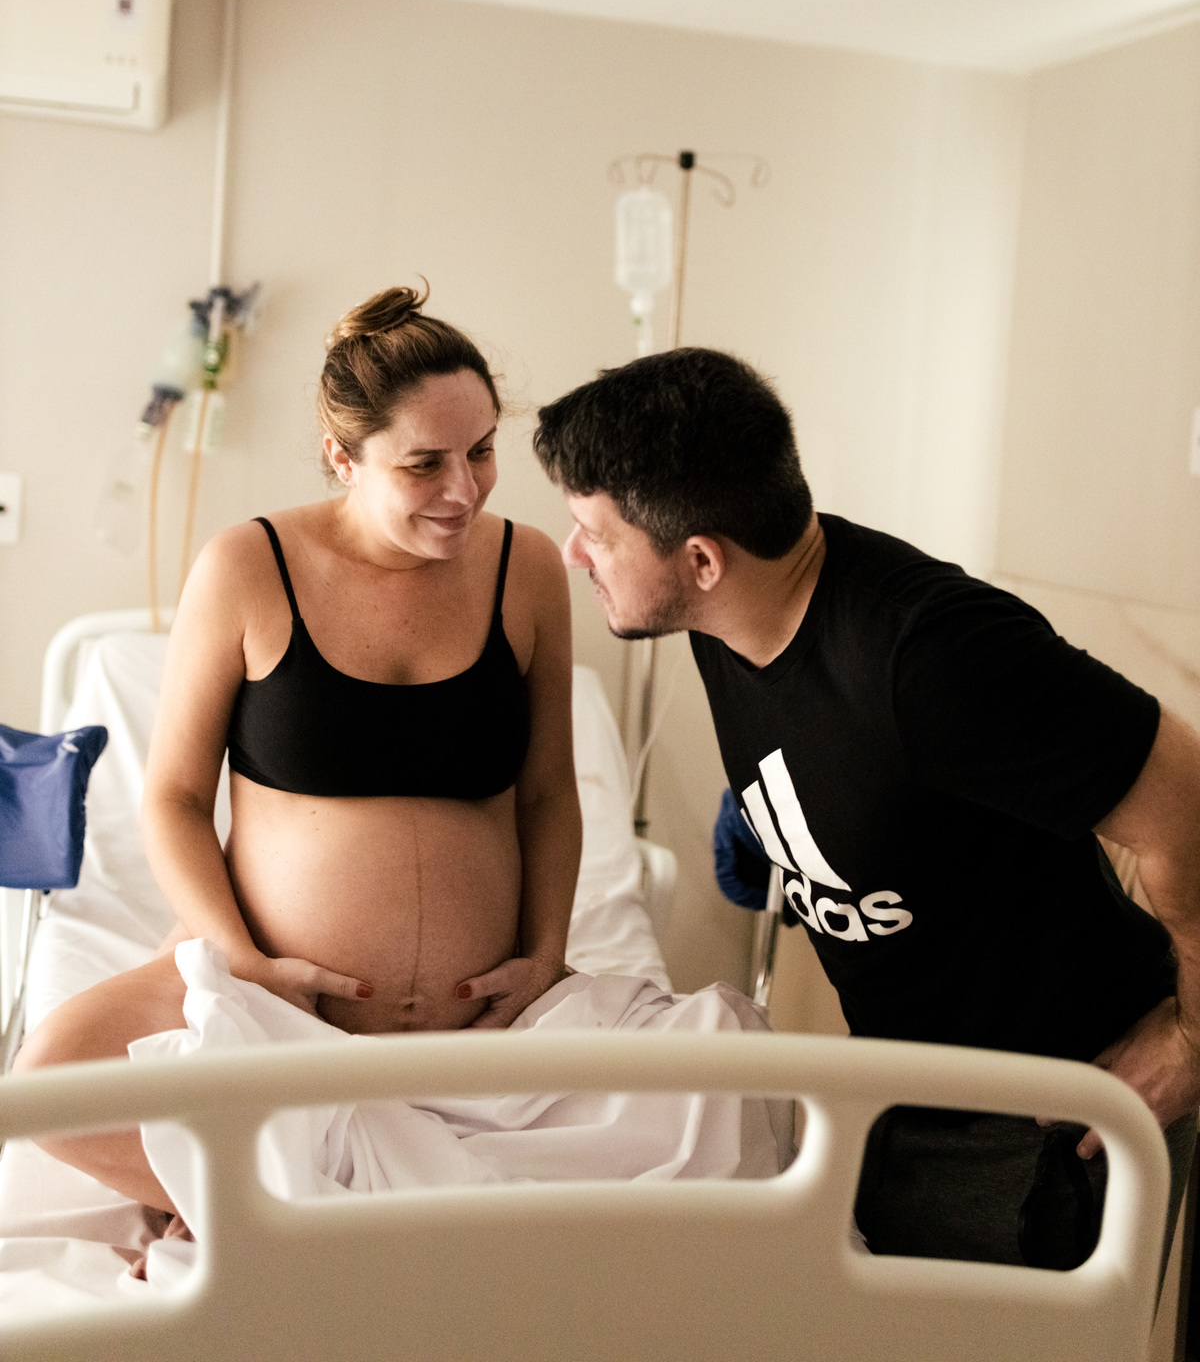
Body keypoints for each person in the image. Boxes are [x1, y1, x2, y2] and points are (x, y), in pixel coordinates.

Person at [533, 346, 1200, 1269]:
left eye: (594, 534)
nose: (574, 554)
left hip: (1055, 1118)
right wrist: (770, 825)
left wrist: (1195, 1040)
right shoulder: (730, 614)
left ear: (701, 558)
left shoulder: (933, 656)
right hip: (902, 1094)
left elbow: (1187, 798)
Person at [16, 285, 582, 1208]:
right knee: (51, 1084)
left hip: (481, 1028)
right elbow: (174, 802)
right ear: (342, 457)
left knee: (718, 1110)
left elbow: (550, 793)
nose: (465, 489)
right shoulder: (247, 567)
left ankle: (306, 1197)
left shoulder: (527, 568)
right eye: (424, 464)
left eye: (482, 451)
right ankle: (297, 1202)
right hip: (267, 1002)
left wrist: (546, 959)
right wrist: (241, 961)